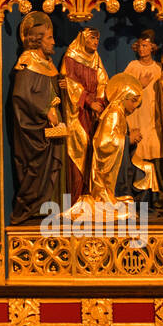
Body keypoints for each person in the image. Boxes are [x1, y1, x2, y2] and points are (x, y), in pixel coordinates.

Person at [8, 11, 65, 223]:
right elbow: (21, 95)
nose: (54, 42)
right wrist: (45, 111)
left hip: (52, 127)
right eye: (49, 38)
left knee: (54, 168)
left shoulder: (49, 64)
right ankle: (29, 207)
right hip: (34, 129)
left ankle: (48, 207)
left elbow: (51, 92)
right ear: (38, 40)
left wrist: (61, 91)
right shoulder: (27, 61)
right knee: (33, 169)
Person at [67, 74, 143, 220]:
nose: (134, 106)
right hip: (107, 173)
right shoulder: (114, 113)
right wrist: (127, 140)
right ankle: (116, 202)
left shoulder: (120, 113)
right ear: (123, 97)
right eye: (133, 101)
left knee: (145, 171)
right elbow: (103, 143)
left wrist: (130, 138)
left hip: (117, 162)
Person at [123, 29, 163, 202]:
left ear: (152, 47)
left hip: (153, 115)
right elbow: (124, 89)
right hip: (137, 114)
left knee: (155, 149)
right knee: (139, 149)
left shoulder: (158, 68)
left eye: (145, 46)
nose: (142, 49)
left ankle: (159, 195)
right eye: (140, 46)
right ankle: (138, 194)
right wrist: (138, 85)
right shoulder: (132, 67)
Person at [61, 27, 107, 202]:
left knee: (92, 151)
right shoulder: (71, 56)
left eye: (97, 39)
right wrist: (88, 101)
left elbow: (103, 81)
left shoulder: (96, 59)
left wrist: (100, 102)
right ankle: (76, 198)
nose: (96, 42)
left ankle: (89, 196)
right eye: (92, 38)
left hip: (93, 113)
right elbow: (69, 83)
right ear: (83, 39)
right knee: (78, 151)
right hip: (77, 112)